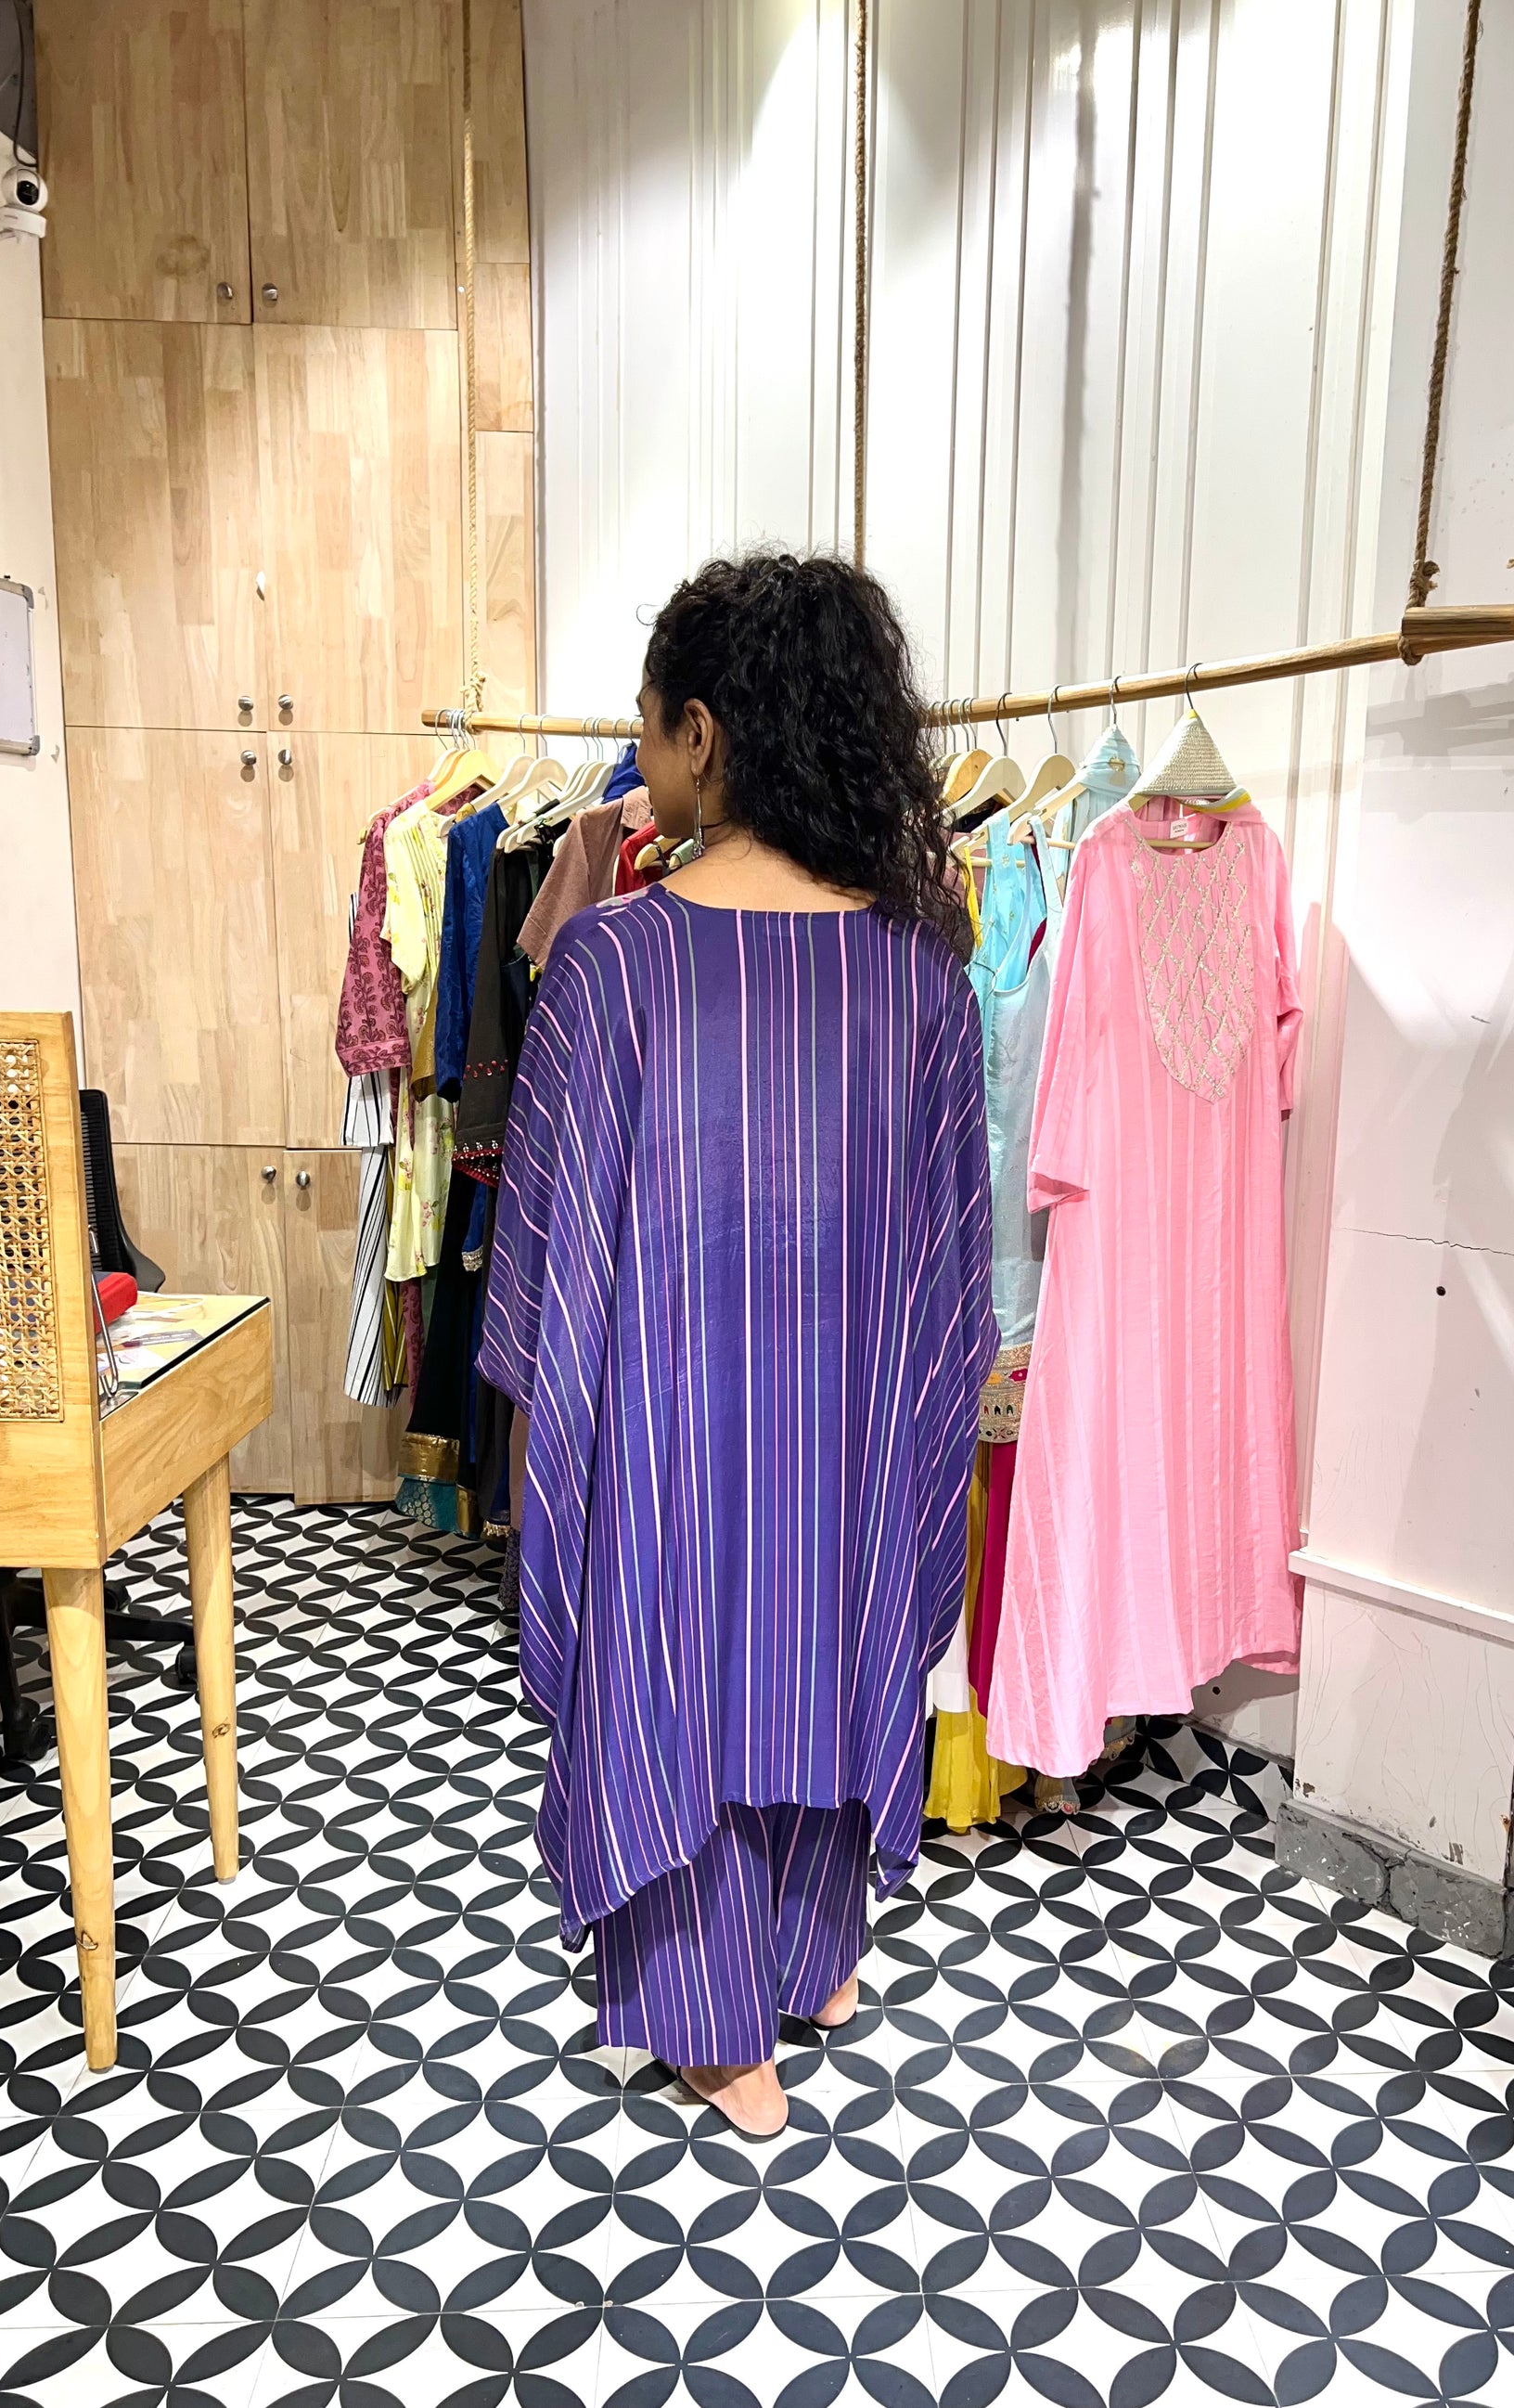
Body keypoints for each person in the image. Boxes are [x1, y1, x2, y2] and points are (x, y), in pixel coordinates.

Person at [480, 550, 995, 2137]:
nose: (638, 761)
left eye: (646, 728)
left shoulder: (613, 962)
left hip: (673, 1422)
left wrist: (553, 1429)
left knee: (674, 1650)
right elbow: (946, 1265)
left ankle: (717, 2023)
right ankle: (815, 1954)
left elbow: (553, 1254)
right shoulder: (918, 966)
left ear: (702, 733)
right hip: (842, 1421)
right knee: (823, 1627)